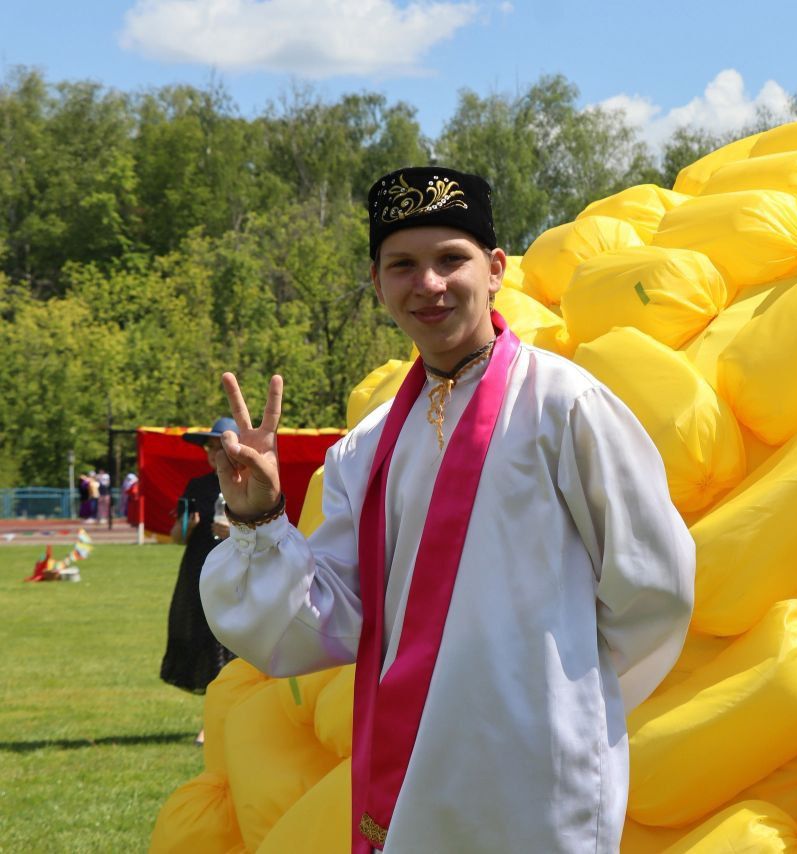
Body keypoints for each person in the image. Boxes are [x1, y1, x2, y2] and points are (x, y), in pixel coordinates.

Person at [200, 167, 695, 852]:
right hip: (414, 777)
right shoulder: (365, 450)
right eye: (402, 265)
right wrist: (260, 517)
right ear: (377, 283)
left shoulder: (566, 407)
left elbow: (654, 586)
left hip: (540, 769)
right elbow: (328, 616)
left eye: (450, 260)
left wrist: (560, 690)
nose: (427, 285)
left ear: (495, 270)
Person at [160, 418, 236, 709]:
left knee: (230, 642)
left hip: (236, 573)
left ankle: (234, 712)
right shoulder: (197, 486)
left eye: (219, 447)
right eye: (209, 447)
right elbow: (177, 537)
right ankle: (212, 716)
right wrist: (187, 527)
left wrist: (237, 531)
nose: (212, 453)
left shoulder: (251, 482)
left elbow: (271, 533)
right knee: (203, 638)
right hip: (200, 570)